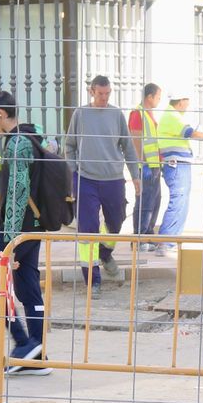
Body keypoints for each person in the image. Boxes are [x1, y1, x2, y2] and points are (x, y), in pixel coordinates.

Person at [0, 91, 50, 374]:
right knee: (29, 289)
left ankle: (23, 342)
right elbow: (19, 183)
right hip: (33, 225)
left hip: (15, 229)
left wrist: (9, 244)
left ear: (2, 115)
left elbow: (18, 195)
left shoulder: (17, 144)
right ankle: (36, 356)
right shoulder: (30, 138)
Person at [64, 74, 139, 289]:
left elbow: (128, 147)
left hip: (113, 178)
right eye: (100, 94)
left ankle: (105, 254)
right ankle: (92, 280)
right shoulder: (81, 114)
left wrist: (135, 175)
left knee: (116, 221)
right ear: (91, 92)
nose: (104, 98)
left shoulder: (116, 114)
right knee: (88, 230)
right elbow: (69, 146)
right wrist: (73, 172)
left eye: (107, 94)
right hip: (86, 178)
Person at [154, 91, 203, 249]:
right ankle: (165, 241)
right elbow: (192, 133)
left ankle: (170, 240)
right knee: (179, 200)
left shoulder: (175, 116)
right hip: (175, 165)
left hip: (179, 164)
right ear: (181, 101)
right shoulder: (172, 116)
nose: (189, 104)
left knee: (182, 201)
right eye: (188, 100)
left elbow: (197, 127)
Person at [128, 83, 164, 242]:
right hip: (146, 166)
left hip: (154, 165)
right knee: (145, 202)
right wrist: (142, 163)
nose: (159, 100)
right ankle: (140, 237)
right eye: (158, 97)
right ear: (149, 97)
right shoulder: (138, 113)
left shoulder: (149, 114)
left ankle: (148, 233)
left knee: (155, 201)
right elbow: (136, 139)